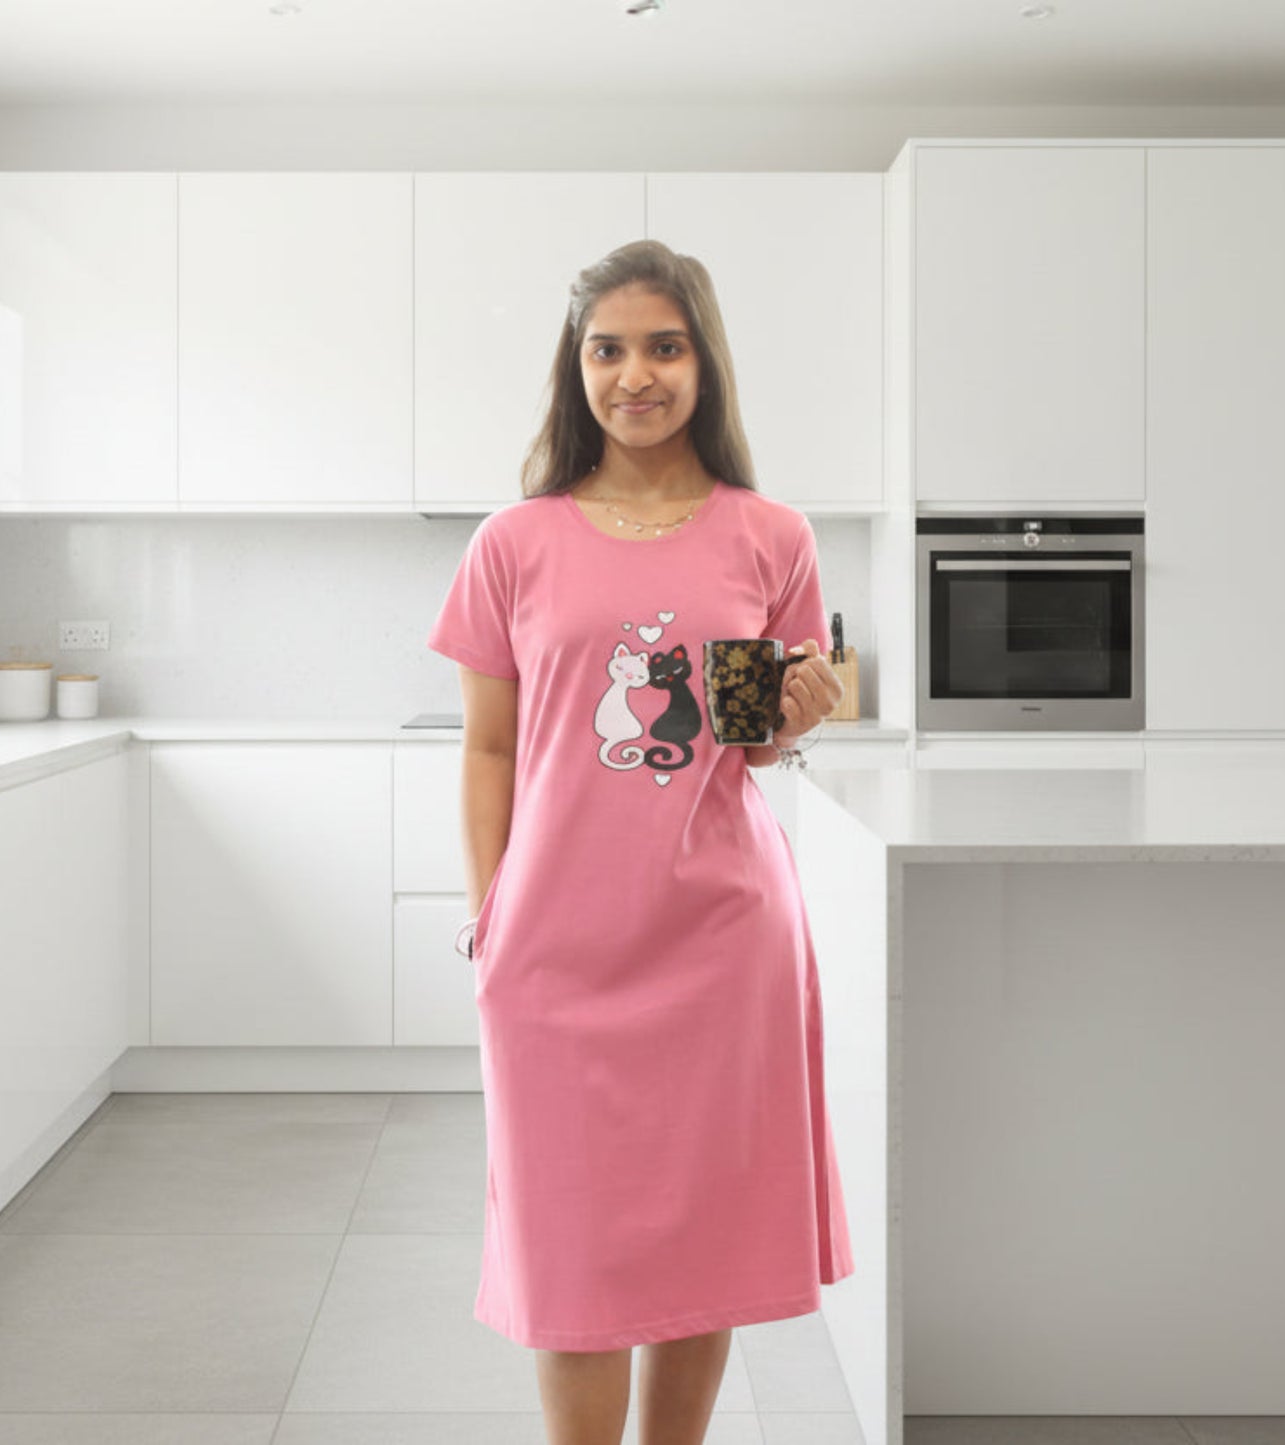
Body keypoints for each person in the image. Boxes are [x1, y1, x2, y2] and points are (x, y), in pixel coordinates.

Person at [426, 238, 854, 1445]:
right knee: (567, 1249)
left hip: (719, 941)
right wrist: (491, 915)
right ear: (575, 368)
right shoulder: (512, 541)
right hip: (553, 947)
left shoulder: (769, 535)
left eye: (663, 347)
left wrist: (796, 713)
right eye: (606, 349)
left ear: (702, 362)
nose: (634, 375)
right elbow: (488, 750)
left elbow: (749, 746)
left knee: (697, 1244)